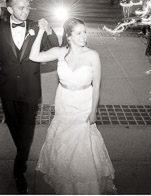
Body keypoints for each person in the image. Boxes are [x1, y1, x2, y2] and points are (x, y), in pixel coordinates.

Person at [30, 17, 116, 194]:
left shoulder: (93, 55)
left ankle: (86, 187)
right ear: (68, 36)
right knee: (65, 144)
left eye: (85, 32)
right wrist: (41, 31)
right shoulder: (60, 52)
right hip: (64, 102)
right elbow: (34, 56)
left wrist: (94, 112)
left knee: (82, 145)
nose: (84, 36)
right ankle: (67, 184)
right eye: (79, 33)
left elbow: (97, 86)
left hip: (84, 103)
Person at [0, 0, 59, 194]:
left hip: (30, 90)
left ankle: (18, 172)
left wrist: (50, 30)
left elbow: (55, 48)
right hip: (7, 90)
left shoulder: (37, 26)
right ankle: (23, 155)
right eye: (21, 8)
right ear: (9, 9)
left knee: (26, 134)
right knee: (16, 130)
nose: (26, 11)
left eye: (28, 7)